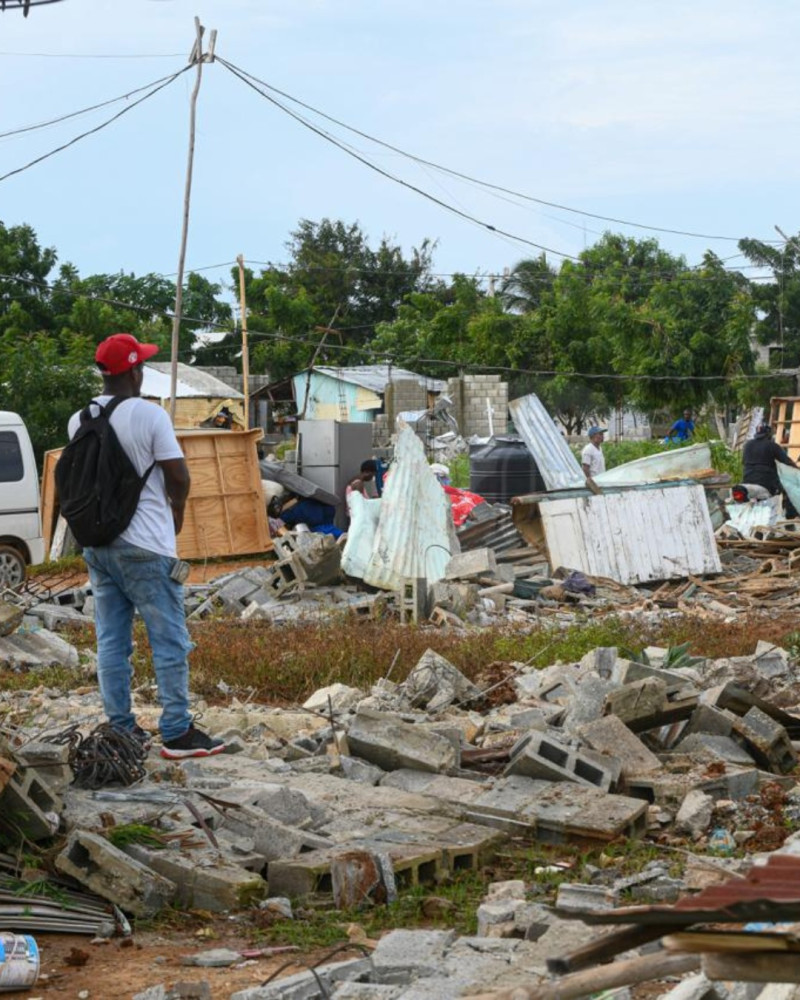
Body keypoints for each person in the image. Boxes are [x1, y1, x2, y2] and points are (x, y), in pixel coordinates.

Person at [68, 334, 225, 760]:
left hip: (98, 547)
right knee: (169, 639)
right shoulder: (150, 416)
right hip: (146, 549)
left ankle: (121, 730)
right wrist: (176, 515)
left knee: (111, 642)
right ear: (135, 371)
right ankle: (176, 731)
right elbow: (178, 476)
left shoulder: (78, 419)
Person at [742, 422, 798, 516]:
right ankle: (790, 519)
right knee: (789, 491)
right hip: (766, 482)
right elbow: (786, 461)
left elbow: (743, 462)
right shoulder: (772, 446)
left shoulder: (747, 445)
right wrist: (796, 468)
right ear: (769, 434)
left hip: (747, 480)